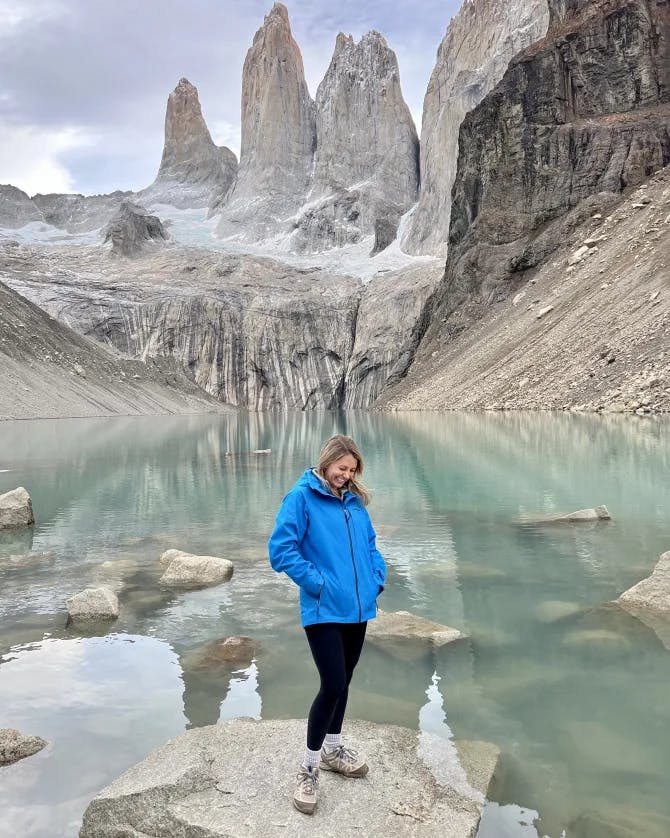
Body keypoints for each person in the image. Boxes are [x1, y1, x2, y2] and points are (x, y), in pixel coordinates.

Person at [268, 434, 386, 815]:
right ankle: (308, 767)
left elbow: (370, 546)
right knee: (332, 683)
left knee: (345, 683)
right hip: (323, 609)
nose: (346, 476)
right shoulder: (301, 497)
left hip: (358, 608)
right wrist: (318, 583)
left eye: (352, 471)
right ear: (326, 462)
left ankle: (334, 749)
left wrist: (376, 577)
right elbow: (281, 550)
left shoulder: (355, 502)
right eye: (341, 468)